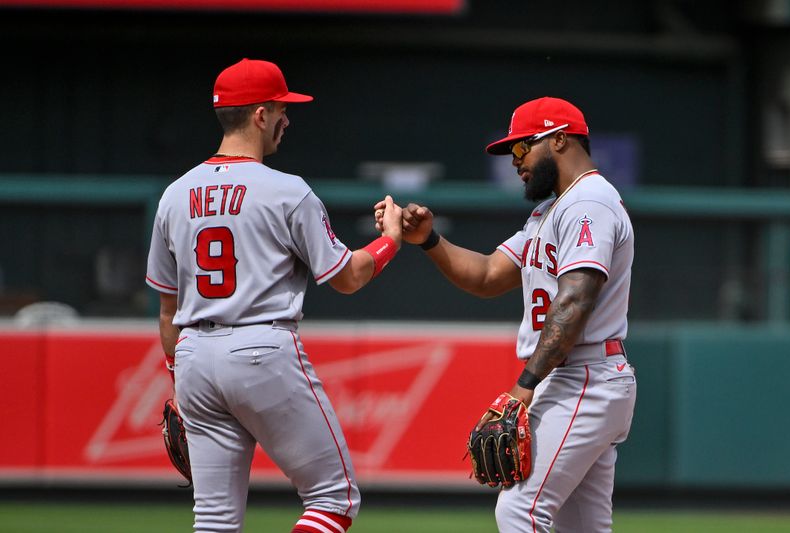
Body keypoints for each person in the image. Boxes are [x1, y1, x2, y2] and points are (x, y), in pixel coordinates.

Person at [146, 58, 402, 533]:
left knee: (215, 519)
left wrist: (178, 380)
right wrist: (389, 241)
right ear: (260, 115)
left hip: (194, 356)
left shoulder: (174, 195)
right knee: (334, 497)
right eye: (281, 108)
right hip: (261, 347)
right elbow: (346, 277)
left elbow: (167, 309)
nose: (288, 118)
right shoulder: (288, 191)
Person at [379, 96, 637, 532]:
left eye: (522, 148)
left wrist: (523, 388)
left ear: (559, 139)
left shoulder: (588, 201)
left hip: (584, 376)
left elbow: (575, 300)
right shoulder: (549, 211)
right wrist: (429, 240)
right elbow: (486, 275)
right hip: (581, 376)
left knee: (519, 510)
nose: (514, 161)